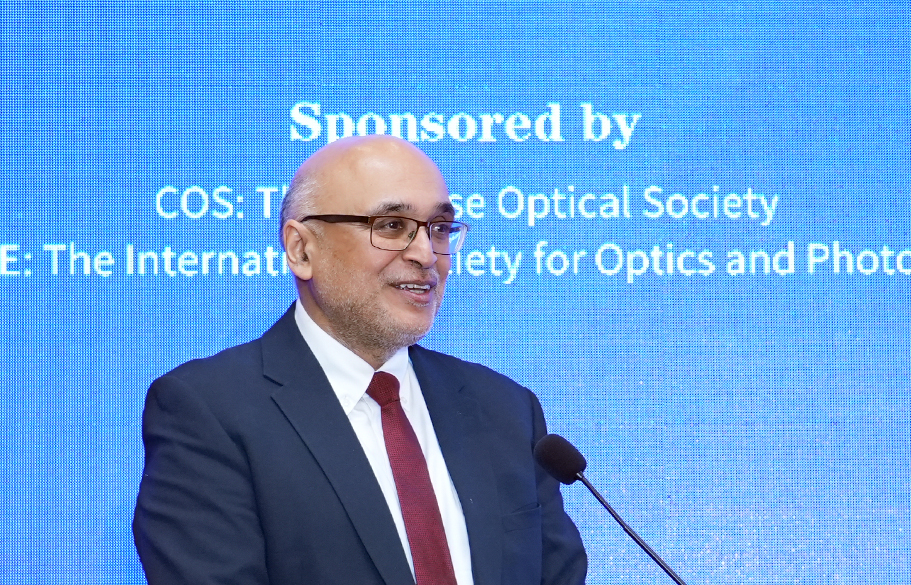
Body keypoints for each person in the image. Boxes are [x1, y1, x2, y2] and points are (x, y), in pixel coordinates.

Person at [132, 134, 588, 585]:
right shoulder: (209, 410)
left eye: (440, 228)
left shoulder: (505, 410)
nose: (427, 254)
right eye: (391, 226)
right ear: (301, 249)